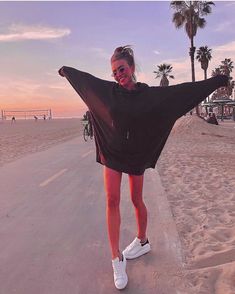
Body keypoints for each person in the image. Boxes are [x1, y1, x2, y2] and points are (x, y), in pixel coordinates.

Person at [58, 45, 228, 290]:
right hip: (114, 153)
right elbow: (87, 84)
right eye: (115, 71)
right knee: (112, 200)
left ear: (132, 67)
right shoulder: (109, 91)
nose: (118, 74)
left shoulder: (148, 95)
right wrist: (68, 72)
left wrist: (215, 81)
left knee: (137, 199)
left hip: (136, 153)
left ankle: (142, 240)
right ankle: (116, 258)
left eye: (122, 69)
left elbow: (181, 94)